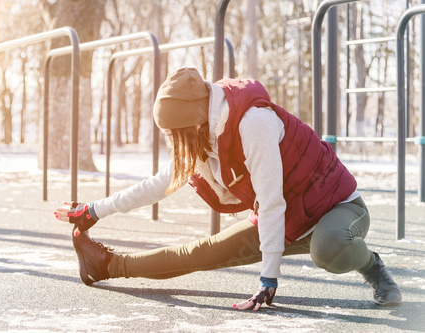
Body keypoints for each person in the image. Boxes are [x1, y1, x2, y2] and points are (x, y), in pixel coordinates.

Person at [54, 67, 402, 311]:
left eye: (173, 133)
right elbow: (159, 185)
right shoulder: (203, 138)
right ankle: (106, 265)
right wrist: (93, 211)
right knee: (202, 252)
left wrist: (269, 278)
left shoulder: (253, 123)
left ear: (191, 121)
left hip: (338, 208)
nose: (173, 142)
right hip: (288, 220)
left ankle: (374, 268)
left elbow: (270, 201)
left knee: (327, 249)